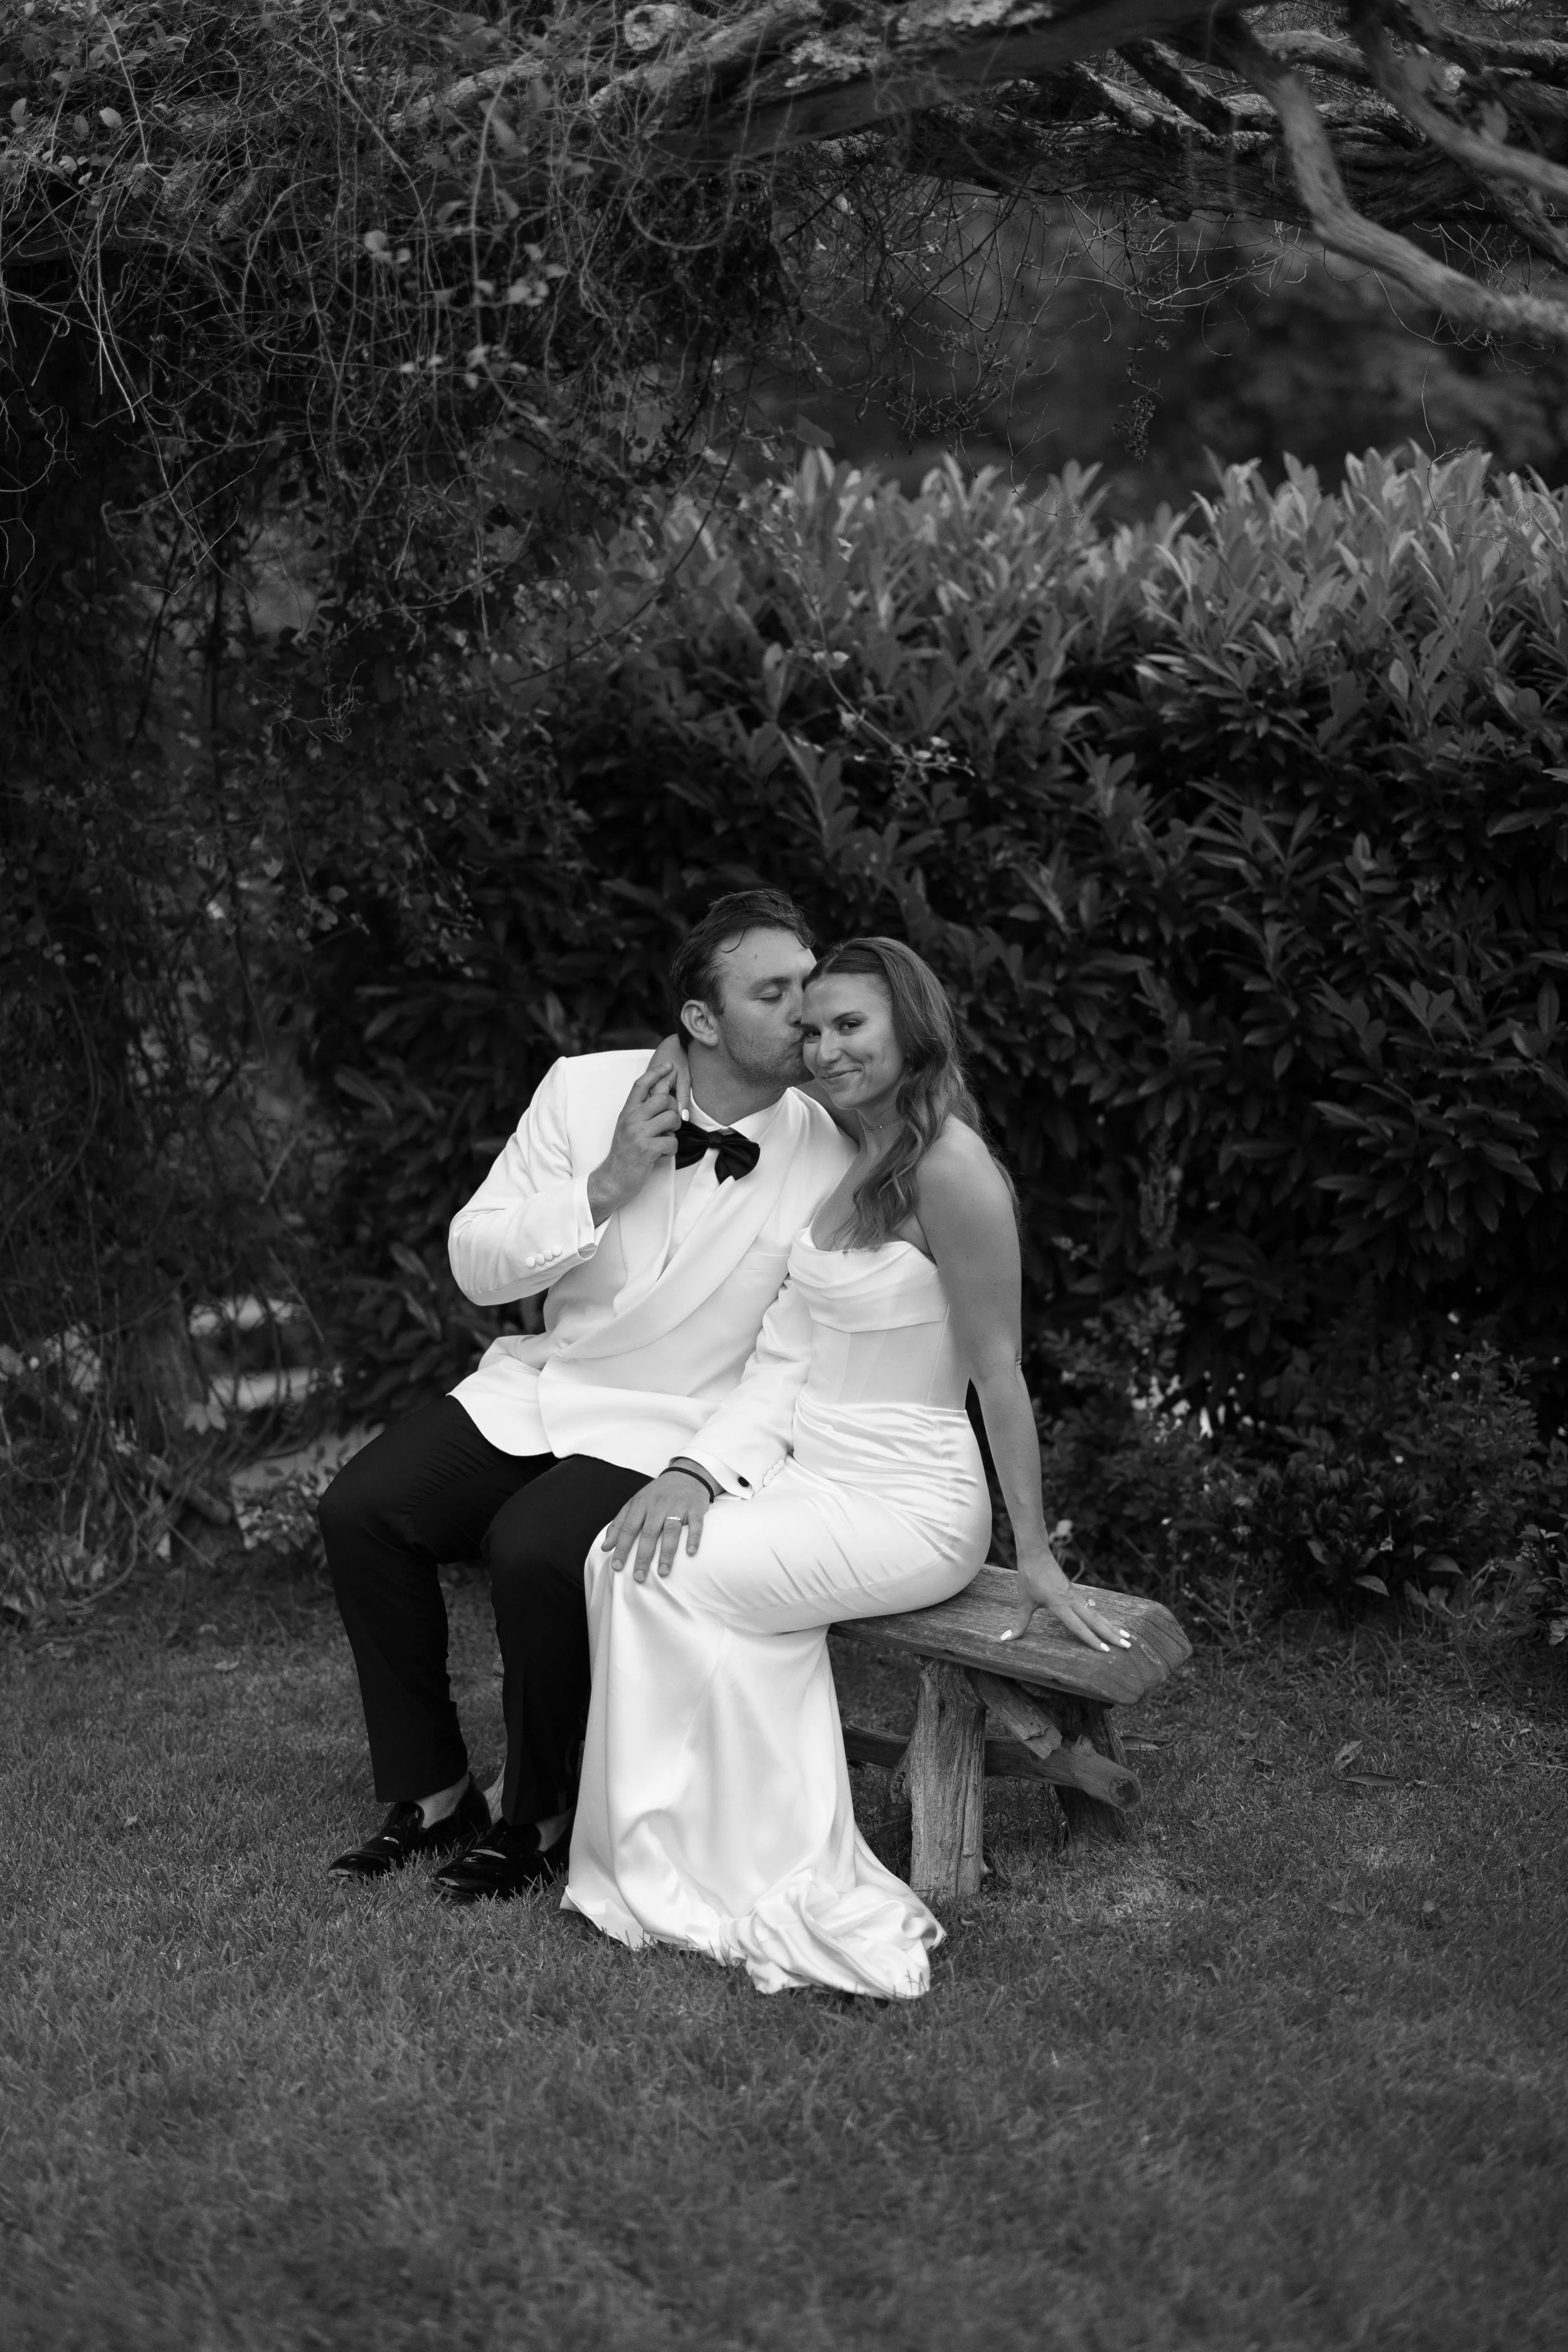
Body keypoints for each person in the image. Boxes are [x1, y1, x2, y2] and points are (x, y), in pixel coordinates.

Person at [563, 936, 1131, 1998]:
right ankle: (693, 1846)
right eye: (813, 1029)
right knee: (620, 1558)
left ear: (913, 1026)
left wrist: (1038, 1556)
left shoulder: (952, 1170)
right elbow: (788, 1350)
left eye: (851, 1026)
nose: (824, 1049)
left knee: (655, 1575)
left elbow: (1002, 1376)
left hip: (908, 1503)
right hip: (811, 1481)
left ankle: (715, 1861)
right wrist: (701, 1469)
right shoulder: (848, 1151)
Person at [318, 890, 853, 1897]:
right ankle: (434, 1793)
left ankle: (541, 1813)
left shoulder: (829, 1150)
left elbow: (796, 1358)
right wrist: (605, 1183)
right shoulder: (582, 1090)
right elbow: (478, 1263)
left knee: (534, 1549)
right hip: (549, 1384)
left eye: (808, 988)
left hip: (676, 1420)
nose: (804, 1013)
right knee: (363, 1509)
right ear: (702, 1018)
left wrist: (706, 1469)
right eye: (774, 992)